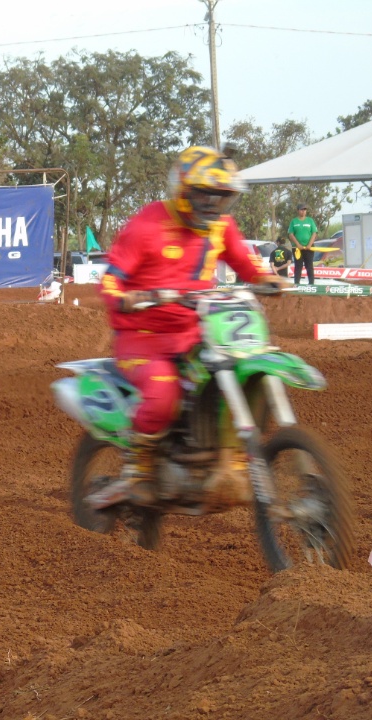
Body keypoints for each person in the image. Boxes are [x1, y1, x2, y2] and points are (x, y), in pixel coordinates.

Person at [95, 145, 288, 505]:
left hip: (200, 331)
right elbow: (110, 279)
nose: (212, 205)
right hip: (143, 337)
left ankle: (225, 455)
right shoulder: (148, 224)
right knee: (162, 393)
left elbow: (248, 268)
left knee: (241, 369)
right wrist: (126, 297)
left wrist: (268, 280)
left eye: (221, 197)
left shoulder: (221, 228)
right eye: (204, 194)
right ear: (184, 190)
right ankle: (138, 469)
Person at [288, 203, 318, 285]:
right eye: (301, 209)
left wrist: (309, 244)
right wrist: (298, 244)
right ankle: (297, 284)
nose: (303, 211)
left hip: (309, 248)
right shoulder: (294, 221)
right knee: (298, 266)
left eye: (305, 210)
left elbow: (314, 233)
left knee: (309, 266)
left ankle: (311, 284)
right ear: (298, 211)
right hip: (297, 248)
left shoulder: (310, 221)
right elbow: (291, 234)